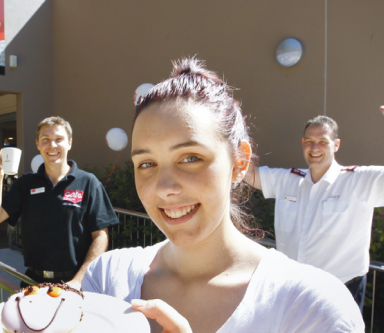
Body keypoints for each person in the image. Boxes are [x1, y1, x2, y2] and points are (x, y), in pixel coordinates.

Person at [83, 58, 364, 332]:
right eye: (146, 164)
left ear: (239, 163)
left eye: (190, 158)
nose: (164, 187)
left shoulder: (313, 308)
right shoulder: (107, 279)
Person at [243, 86, 384, 310]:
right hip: (293, 290)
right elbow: (248, 173)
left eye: (323, 141)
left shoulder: (357, 181)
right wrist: (231, 138)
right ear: (302, 144)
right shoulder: (287, 180)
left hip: (340, 292)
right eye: (309, 141)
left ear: (336, 145)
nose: (314, 147)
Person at [0, 116, 120, 290]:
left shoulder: (88, 182)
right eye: (45, 140)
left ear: (69, 143)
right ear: (38, 144)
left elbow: (101, 236)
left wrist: (79, 280)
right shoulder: (26, 184)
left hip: (76, 282)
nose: (52, 145)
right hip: (34, 283)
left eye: (59, 139)